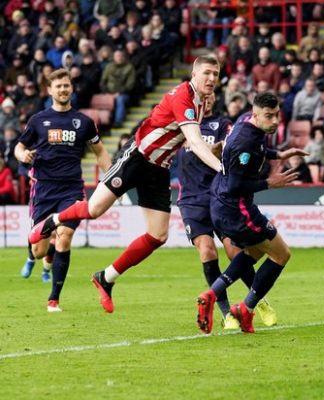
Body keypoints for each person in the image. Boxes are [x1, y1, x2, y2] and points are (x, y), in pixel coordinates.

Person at [28, 55, 225, 314]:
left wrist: (219, 149)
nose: (212, 79)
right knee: (95, 210)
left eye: (216, 74)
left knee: (158, 236)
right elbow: (195, 143)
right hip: (137, 158)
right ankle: (53, 221)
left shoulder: (199, 102)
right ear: (194, 74)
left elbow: (191, 142)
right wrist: (223, 168)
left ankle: (106, 277)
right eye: (207, 73)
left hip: (159, 169)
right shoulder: (184, 97)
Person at [196, 91, 308, 334]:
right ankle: (245, 309)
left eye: (277, 114)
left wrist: (279, 154)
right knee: (281, 254)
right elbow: (237, 186)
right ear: (257, 114)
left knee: (253, 252)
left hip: (222, 203)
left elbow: (258, 149)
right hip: (237, 208)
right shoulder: (245, 142)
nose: (275, 121)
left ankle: (212, 294)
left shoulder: (248, 121)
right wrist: (271, 183)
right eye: (269, 116)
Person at [177, 92, 277, 330]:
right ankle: (225, 314)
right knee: (207, 250)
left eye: (210, 96)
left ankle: (257, 301)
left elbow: (229, 150)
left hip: (217, 195)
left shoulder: (223, 125)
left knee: (235, 252)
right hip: (191, 199)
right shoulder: (180, 126)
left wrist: (209, 147)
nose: (207, 98)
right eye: (202, 95)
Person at [14, 68, 112, 311]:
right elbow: (18, 146)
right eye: (58, 86)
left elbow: (100, 152)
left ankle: (54, 298)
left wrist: (112, 180)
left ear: (72, 88)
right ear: (50, 90)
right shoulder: (38, 120)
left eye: (66, 85)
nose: (63, 89)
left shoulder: (84, 122)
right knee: (39, 249)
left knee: (65, 236)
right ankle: (39, 259)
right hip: (44, 189)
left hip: (71, 190)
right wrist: (23, 154)